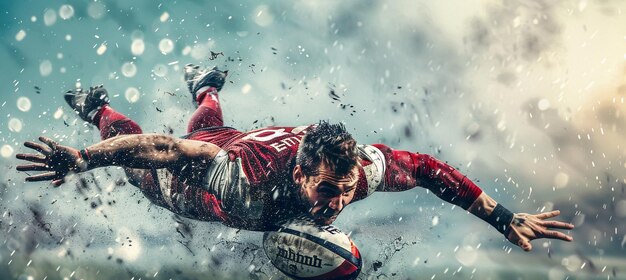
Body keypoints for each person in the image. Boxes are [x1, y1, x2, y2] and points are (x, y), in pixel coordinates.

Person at [16, 64, 574, 252]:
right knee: (152, 163)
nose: (341, 202)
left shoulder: (359, 169)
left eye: (348, 189)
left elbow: (429, 170)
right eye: (330, 192)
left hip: (235, 146)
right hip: (204, 183)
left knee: (212, 128)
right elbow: (159, 149)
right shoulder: (243, 180)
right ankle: (98, 109)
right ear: (302, 173)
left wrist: (502, 217)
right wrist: (83, 158)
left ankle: (206, 87)